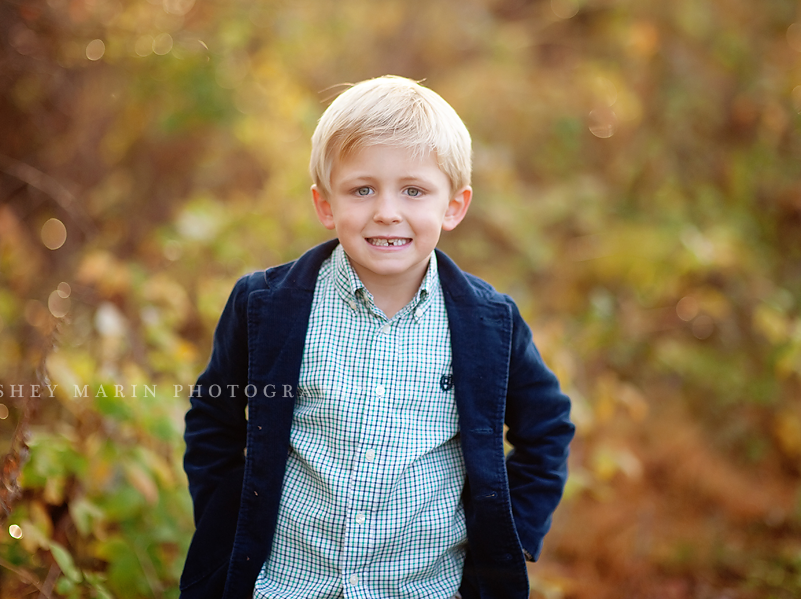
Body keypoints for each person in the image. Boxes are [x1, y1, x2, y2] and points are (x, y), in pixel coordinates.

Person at [180, 75, 575, 599]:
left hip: (425, 589)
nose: (387, 211)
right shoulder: (266, 307)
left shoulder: (488, 324)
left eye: (414, 190)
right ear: (325, 205)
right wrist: (226, 519)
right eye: (362, 189)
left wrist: (511, 535)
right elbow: (213, 418)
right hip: (284, 585)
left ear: (454, 206)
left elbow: (547, 427)